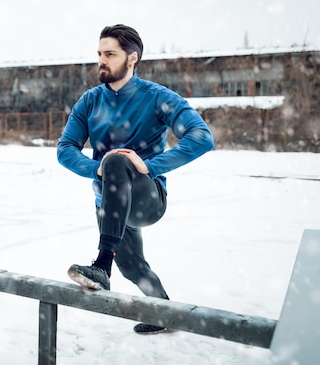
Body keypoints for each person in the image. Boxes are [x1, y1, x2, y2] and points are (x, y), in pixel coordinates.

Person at [57, 24, 214, 334]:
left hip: (147, 199)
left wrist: (150, 166)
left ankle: (102, 264)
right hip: (109, 202)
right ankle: (165, 314)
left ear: (132, 59)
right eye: (100, 54)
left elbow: (201, 137)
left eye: (110, 54)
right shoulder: (90, 101)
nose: (102, 60)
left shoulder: (156, 97)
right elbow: (65, 149)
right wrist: (95, 169)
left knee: (117, 158)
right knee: (131, 266)